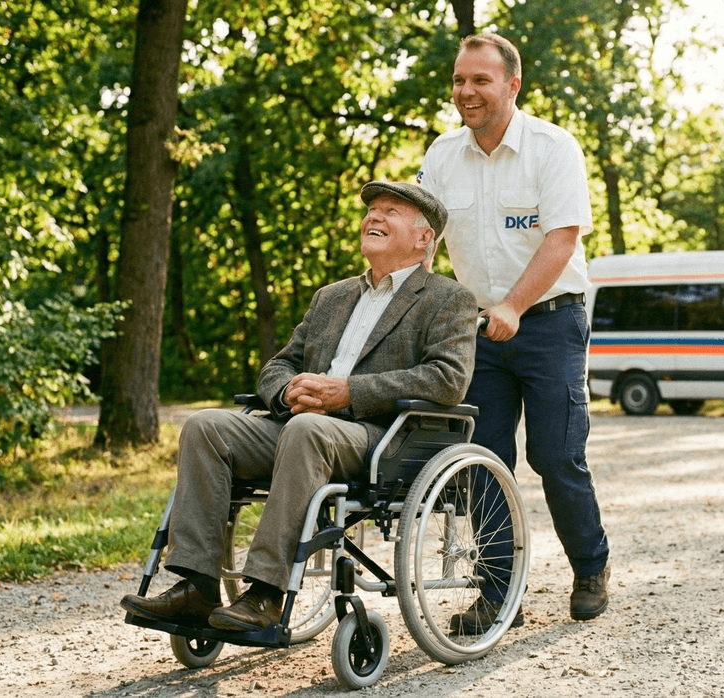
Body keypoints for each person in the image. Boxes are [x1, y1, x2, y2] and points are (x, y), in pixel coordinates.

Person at [121, 182, 478, 632]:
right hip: (301, 425)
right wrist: (288, 390)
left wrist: (349, 391)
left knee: (307, 430)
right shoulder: (332, 297)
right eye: (371, 209)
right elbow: (279, 364)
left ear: (424, 238)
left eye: (391, 211)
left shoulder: (449, 299)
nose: (374, 216)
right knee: (205, 427)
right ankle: (196, 586)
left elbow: (448, 378)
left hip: (382, 437)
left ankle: (266, 594)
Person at [417, 32, 610, 628]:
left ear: (512, 85)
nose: (466, 91)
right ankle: (500, 593)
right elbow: (423, 242)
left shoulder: (553, 148)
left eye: (480, 79)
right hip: (477, 329)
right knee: (482, 460)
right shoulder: (441, 155)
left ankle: (591, 567)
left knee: (556, 455)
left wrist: (514, 307)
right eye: (459, 80)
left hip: (551, 322)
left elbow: (562, 239)